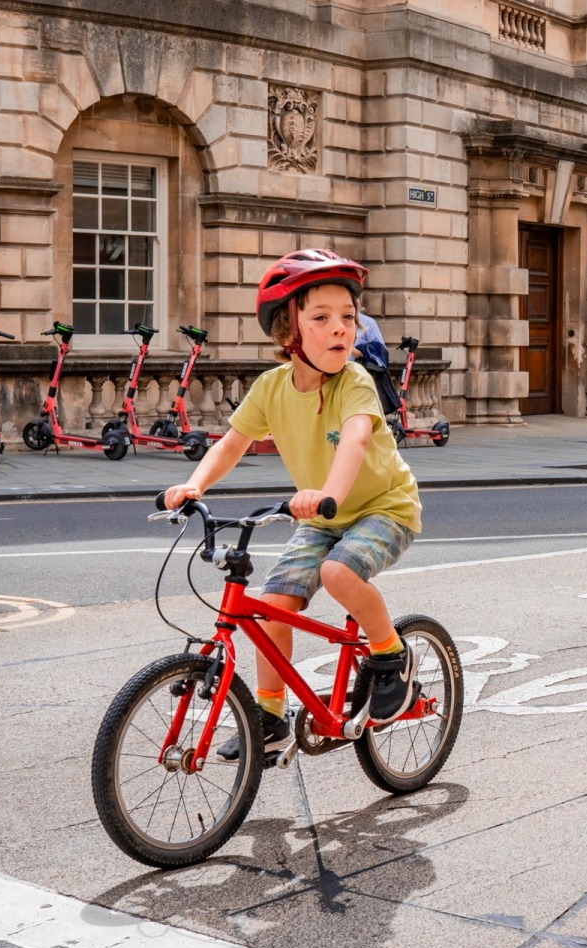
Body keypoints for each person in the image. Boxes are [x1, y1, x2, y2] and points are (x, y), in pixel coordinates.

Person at [162, 248, 424, 758]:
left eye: (348, 318)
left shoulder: (356, 383)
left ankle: (391, 656)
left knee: (338, 574)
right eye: (321, 318)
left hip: (383, 507)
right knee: (270, 607)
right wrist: (195, 485)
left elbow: (352, 442)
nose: (340, 329)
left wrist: (327, 494)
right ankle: (270, 716)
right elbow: (232, 442)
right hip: (322, 516)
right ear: (289, 332)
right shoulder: (271, 388)